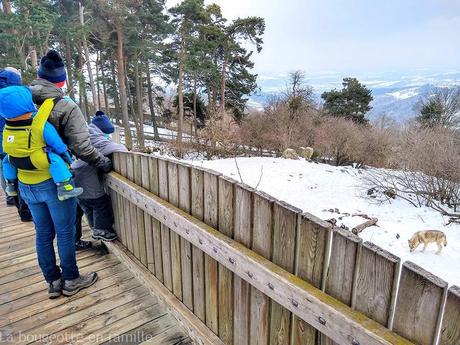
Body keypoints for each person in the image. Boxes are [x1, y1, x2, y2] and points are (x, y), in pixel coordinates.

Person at [0, 85, 98, 298]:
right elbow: (60, 147)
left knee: (43, 234)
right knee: (65, 232)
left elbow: (7, 156)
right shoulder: (39, 126)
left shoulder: (7, 131)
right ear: (27, 103)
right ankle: (71, 279)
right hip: (53, 186)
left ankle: (53, 281)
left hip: (27, 188)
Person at [30, 50, 112, 250]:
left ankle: (55, 270)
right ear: (61, 81)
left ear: (39, 76)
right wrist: (103, 162)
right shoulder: (66, 106)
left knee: (43, 231)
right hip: (56, 173)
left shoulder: (23, 100)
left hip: (26, 174)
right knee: (66, 223)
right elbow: (82, 147)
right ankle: (71, 275)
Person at [1, 88, 84, 201]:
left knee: (6, 161)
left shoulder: (7, 127)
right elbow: (56, 143)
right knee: (55, 159)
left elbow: (5, 146)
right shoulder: (39, 124)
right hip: (37, 162)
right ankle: (64, 187)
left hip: (15, 160)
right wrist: (66, 154)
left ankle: (10, 185)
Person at [73, 110, 127, 242]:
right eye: (107, 133)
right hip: (88, 180)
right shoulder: (98, 140)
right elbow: (121, 149)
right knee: (101, 204)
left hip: (76, 179)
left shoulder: (85, 135)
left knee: (87, 206)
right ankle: (101, 230)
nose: (107, 136)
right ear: (103, 130)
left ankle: (95, 227)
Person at [0, 67, 32, 221]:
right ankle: (26, 210)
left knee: (6, 165)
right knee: (22, 171)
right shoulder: (17, 95)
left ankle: (10, 194)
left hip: (5, 139)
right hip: (18, 136)